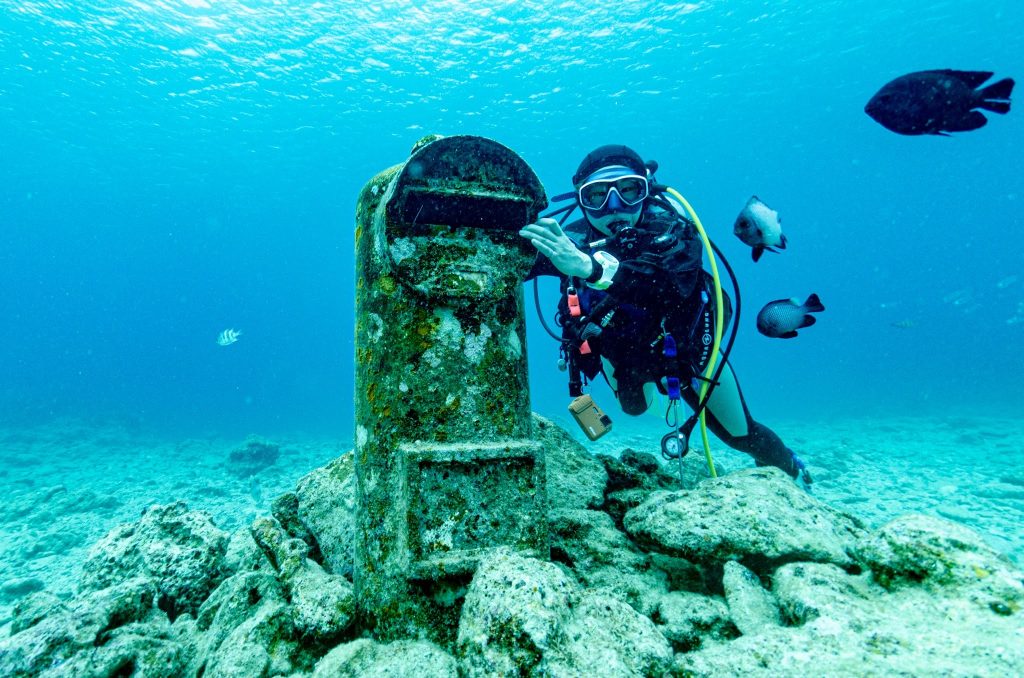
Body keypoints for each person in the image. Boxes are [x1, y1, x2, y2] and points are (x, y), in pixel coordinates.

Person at [520, 144, 809, 482]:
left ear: (646, 190)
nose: (614, 207)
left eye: (628, 191)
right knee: (633, 407)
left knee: (740, 434)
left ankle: (791, 469)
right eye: (597, 196)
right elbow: (503, 251)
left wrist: (592, 269)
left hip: (690, 353)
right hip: (623, 354)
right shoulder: (568, 243)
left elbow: (673, 288)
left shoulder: (675, 232)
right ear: (581, 200)